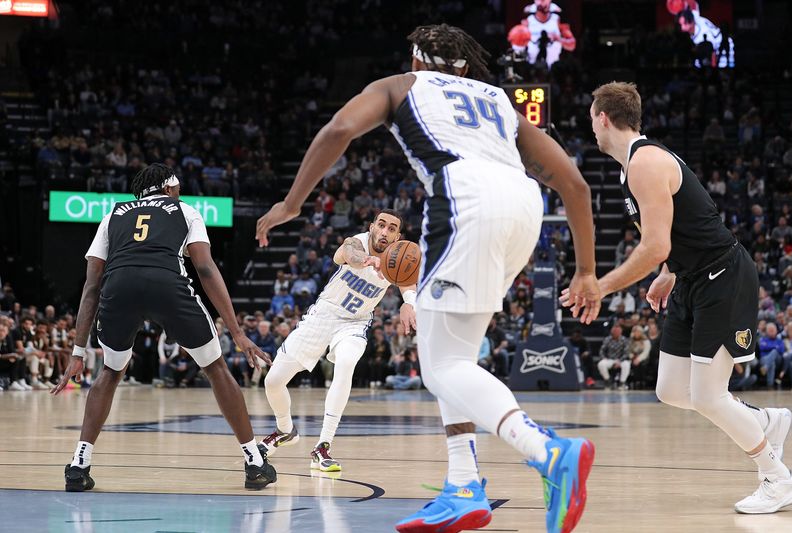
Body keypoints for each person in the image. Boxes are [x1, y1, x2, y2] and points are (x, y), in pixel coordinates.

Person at [255, 24, 599, 533]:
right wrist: (587, 269)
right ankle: (463, 486)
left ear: (415, 59)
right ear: (465, 65)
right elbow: (572, 181)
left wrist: (292, 202)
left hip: (466, 201)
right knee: (447, 354)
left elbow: (337, 130)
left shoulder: (400, 85)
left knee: (441, 367)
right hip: (525, 206)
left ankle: (548, 451)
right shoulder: (498, 99)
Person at [578, 82, 792, 513]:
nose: (592, 129)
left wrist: (600, 285)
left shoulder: (646, 162)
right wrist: (668, 272)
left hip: (724, 276)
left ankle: (779, 478)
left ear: (603, 117)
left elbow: (656, 244)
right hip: (691, 278)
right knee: (672, 389)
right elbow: (676, 235)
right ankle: (765, 421)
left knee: (708, 395)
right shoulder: (631, 168)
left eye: (591, 119)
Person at [52, 163, 276, 492]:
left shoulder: (113, 214)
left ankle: (79, 464)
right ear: (169, 188)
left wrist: (77, 351)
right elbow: (205, 268)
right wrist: (238, 333)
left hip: (119, 288)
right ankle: (254, 462)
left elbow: (91, 287)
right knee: (214, 367)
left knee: (110, 372)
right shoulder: (184, 209)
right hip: (166, 284)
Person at [260, 209, 417, 472]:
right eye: (381, 225)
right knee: (272, 382)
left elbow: (407, 282)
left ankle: (323, 445)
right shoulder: (357, 242)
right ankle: (285, 430)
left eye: (392, 228)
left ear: (397, 236)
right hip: (323, 315)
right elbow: (348, 254)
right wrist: (368, 260)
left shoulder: (397, 255)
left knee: (346, 362)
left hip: (355, 322)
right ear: (372, 227)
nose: (385, 231)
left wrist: (409, 303)